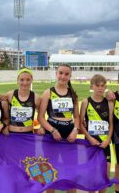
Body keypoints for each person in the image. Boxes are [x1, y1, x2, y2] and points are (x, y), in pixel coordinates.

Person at [38, 64, 80, 193]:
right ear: (56, 74)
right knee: (49, 170)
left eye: (66, 74)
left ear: (70, 76)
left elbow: (77, 117)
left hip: (70, 134)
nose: (63, 76)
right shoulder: (48, 92)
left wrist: (75, 130)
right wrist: (52, 130)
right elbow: (41, 117)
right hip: (52, 134)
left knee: (71, 169)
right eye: (61, 73)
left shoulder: (73, 94)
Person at [79, 74, 114, 193]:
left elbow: (111, 124)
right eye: (97, 85)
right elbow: (80, 124)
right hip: (90, 143)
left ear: (105, 87)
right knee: (91, 174)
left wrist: (108, 140)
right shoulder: (85, 102)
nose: (100, 88)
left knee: (105, 174)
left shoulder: (109, 103)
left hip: (104, 143)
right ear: (92, 86)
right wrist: (89, 138)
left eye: (103, 86)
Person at [6, 68, 42, 134]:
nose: (25, 83)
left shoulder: (36, 97)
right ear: (17, 80)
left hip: (28, 134)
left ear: (32, 80)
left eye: (28, 80)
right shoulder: (10, 95)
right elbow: (3, 114)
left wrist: (42, 127)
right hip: (12, 134)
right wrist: (4, 126)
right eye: (22, 80)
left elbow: (41, 116)